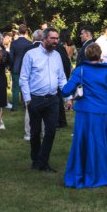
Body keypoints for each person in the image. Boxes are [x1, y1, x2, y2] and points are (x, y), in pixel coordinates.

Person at [60, 43, 107, 188]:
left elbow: (66, 91)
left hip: (87, 113)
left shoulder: (80, 71)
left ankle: (87, 173)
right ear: (100, 55)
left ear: (86, 55)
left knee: (88, 143)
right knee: (106, 143)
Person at [20, 27, 67, 172]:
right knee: (35, 132)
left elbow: (62, 78)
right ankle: (36, 160)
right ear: (44, 38)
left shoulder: (57, 56)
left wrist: (68, 96)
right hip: (35, 99)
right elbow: (23, 78)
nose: (55, 41)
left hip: (53, 99)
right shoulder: (31, 54)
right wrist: (28, 99)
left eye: (57, 38)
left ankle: (43, 162)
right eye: (52, 38)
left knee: (51, 131)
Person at [9, 25, 33, 112]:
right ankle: (26, 104)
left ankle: (15, 106)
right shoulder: (30, 43)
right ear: (26, 32)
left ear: (18, 31)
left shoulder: (14, 43)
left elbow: (11, 57)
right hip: (27, 68)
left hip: (16, 67)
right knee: (26, 86)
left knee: (15, 87)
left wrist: (10, 66)